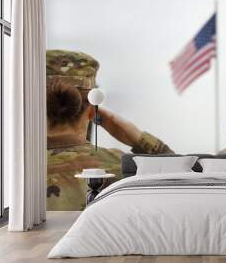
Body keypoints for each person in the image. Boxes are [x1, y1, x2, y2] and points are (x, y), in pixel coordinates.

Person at [46, 50, 173, 211]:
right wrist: (140, 140)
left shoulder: (12, 168)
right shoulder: (121, 166)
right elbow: (185, 178)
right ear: (92, 111)